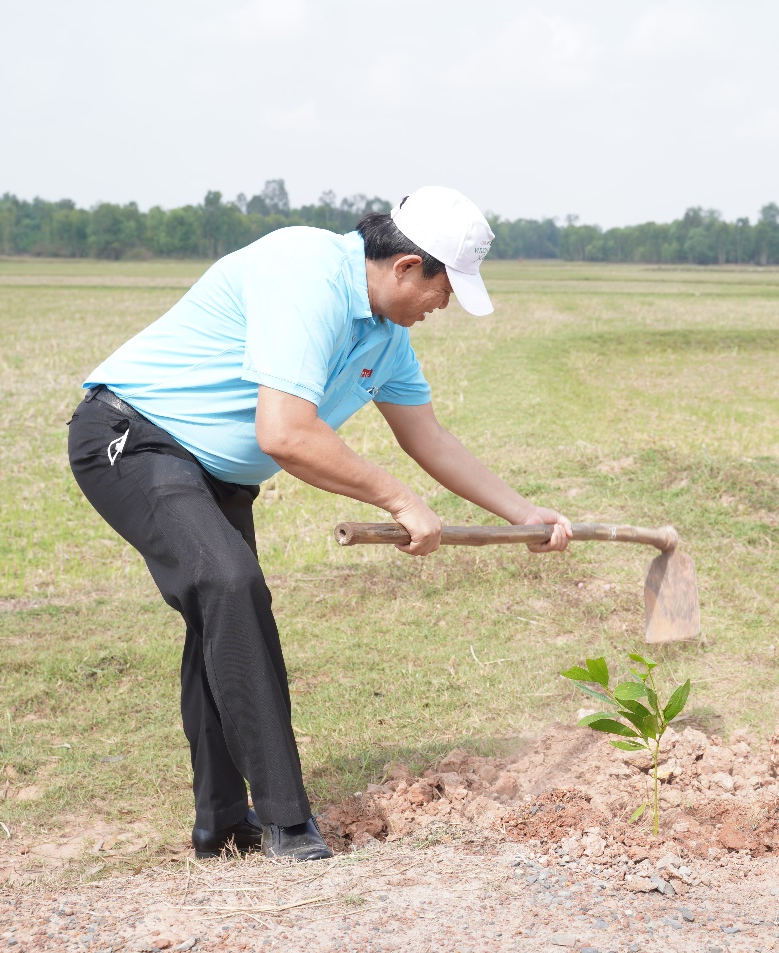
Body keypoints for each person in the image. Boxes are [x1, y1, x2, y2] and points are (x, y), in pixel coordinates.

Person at [67, 186, 572, 862]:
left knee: (222, 609)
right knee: (230, 583)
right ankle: (285, 818)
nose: (443, 306)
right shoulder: (303, 270)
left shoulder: (387, 336)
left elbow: (428, 437)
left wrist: (521, 511)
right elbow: (285, 433)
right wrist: (399, 500)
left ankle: (221, 823)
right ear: (405, 267)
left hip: (216, 474)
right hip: (135, 437)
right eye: (444, 289)